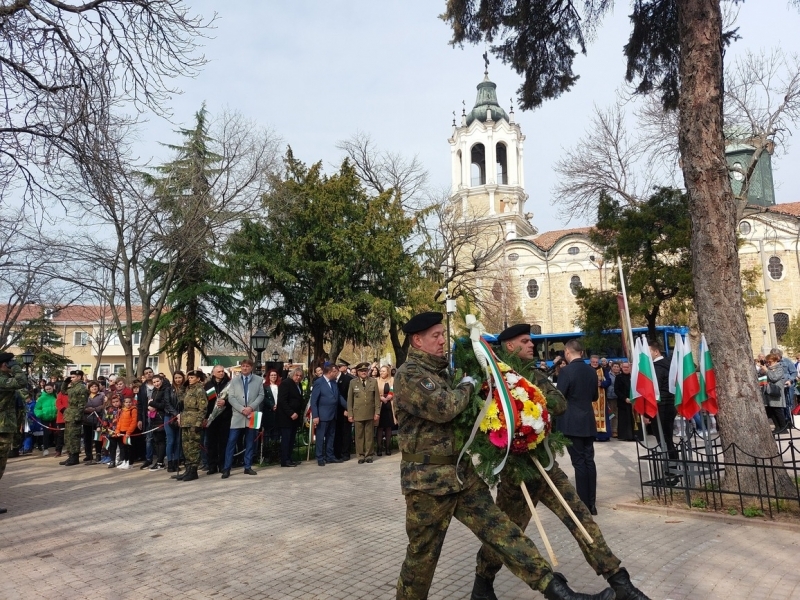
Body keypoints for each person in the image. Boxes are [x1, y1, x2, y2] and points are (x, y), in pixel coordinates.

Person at [395, 312, 614, 600]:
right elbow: (445, 407)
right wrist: (471, 382)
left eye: (441, 334)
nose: (441, 341)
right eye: (435, 336)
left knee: (505, 535)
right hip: (428, 484)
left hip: (462, 477)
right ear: (417, 340)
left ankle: (559, 593)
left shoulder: (443, 374)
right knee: (421, 561)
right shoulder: (409, 375)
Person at [472, 324, 649, 600]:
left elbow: (559, 402)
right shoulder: (493, 378)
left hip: (546, 465)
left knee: (580, 518)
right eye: (526, 341)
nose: (532, 345)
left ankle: (620, 583)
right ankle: (482, 585)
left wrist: (531, 404)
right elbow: (485, 422)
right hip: (517, 474)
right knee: (505, 533)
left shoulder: (533, 376)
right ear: (509, 346)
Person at [556, 340, 600, 515]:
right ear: (581, 352)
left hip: (571, 423)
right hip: (588, 421)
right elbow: (595, 396)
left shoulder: (566, 371)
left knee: (579, 463)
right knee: (589, 460)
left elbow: (560, 397)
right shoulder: (592, 371)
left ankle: (582, 504)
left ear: (567, 352)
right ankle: (592, 503)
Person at [222, 359, 265, 478]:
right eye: (243, 366)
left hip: (252, 414)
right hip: (238, 415)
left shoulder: (258, 380)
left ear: (251, 368)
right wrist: (242, 409)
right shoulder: (234, 381)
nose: (245, 368)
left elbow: (261, 395)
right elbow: (231, 397)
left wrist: (251, 407)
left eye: (247, 366)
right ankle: (227, 468)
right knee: (231, 441)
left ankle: (248, 466)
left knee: (250, 441)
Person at [0, 352, 27, 512]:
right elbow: (21, 381)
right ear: (4, 365)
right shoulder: (2, 379)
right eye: (9, 363)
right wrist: (16, 367)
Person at [310, 363, 345, 466]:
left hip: (333, 414)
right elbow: (314, 401)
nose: (337, 373)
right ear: (330, 372)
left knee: (331, 436)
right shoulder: (319, 382)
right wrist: (315, 416)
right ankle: (320, 457)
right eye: (335, 372)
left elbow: (338, 397)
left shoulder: (334, 382)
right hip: (322, 415)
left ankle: (330, 456)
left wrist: (349, 407)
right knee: (320, 437)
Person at [177, 370, 207, 482]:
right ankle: (188, 470)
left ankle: (193, 471)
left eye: (192, 377)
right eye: (189, 377)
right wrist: (182, 387)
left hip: (194, 421)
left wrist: (199, 422)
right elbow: (180, 399)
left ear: (198, 378)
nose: (190, 379)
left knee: (193, 446)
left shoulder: (200, 390)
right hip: (186, 420)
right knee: (186, 446)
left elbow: (203, 408)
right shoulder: (189, 389)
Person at [347, 362, 380, 464]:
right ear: (357, 372)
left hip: (370, 412)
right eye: (361, 371)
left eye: (365, 371)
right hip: (358, 413)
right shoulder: (353, 382)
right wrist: (350, 414)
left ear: (368, 371)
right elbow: (350, 400)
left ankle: (369, 455)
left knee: (369, 435)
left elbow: (377, 399)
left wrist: (377, 412)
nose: (363, 372)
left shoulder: (373, 382)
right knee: (359, 436)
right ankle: (360, 455)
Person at [204, 365, 231, 475]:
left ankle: (222, 465)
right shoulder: (208, 385)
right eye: (219, 371)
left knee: (223, 443)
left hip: (225, 417)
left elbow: (234, 398)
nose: (221, 373)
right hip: (212, 418)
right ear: (213, 373)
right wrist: (205, 417)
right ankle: (212, 466)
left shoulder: (229, 384)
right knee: (211, 443)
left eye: (222, 371)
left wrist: (226, 402)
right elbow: (205, 402)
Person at [277, 367, 305, 467]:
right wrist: (290, 413)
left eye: (300, 376)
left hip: (295, 417)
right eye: (296, 375)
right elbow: (282, 400)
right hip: (286, 417)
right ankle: (285, 460)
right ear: (292, 375)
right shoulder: (286, 383)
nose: (298, 378)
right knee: (286, 439)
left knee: (292, 439)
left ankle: (289, 458)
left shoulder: (299, 385)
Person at [60, 370, 89, 466]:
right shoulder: (72, 386)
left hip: (75, 414)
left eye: (73, 377)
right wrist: (65, 382)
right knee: (68, 436)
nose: (71, 378)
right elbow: (63, 391)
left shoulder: (82, 388)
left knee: (74, 437)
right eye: (71, 377)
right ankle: (70, 455)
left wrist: (78, 416)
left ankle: (75, 457)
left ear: (79, 377)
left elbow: (82, 404)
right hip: (69, 414)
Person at [147, 375, 172, 471]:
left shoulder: (165, 390)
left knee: (161, 440)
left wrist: (152, 404)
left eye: (157, 381)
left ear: (161, 380)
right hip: (154, 418)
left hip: (161, 417)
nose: (156, 384)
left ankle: (160, 462)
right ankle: (158, 460)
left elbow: (164, 405)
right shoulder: (154, 391)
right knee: (156, 440)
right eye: (154, 382)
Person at [761, 353, 787, 432]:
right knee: (771, 410)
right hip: (769, 391)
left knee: (777, 410)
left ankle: (783, 427)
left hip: (776, 391)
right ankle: (777, 427)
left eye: (770, 362)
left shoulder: (780, 368)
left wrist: (767, 371)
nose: (768, 363)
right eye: (767, 362)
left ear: (775, 360)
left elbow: (774, 378)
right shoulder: (769, 368)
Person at [333, 358, 354, 461]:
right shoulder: (332, 380)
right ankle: (337, 453)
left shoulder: (348, 379)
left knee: (346, 432)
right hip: (334, 411)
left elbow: (350, 396)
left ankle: (345, 453)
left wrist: (349, 409)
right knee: (336, 432)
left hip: (345, 410)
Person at [82, 381, 105, 464]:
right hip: (87, 419)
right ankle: (88, 454)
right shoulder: (85, 396)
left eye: (95, 386)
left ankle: (98, 454)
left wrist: (95, 409)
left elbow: (104, 405)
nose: (94, 388)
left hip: (97, 419)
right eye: (92, 387)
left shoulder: (102, 395)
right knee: (87, 438)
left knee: (97, 438)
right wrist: (86, 409)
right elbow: (81, 406)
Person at [114, 392, 138, 470]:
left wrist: (129, 432)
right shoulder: (123, 410)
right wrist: (117, 430)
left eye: (130, 402)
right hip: (122, 431)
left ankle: (130, 462)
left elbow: (133, 422)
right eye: (126, 402)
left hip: (129, 432)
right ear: (124, 403)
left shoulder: (133, 410)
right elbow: (120, 421)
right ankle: (125, 460)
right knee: (123, 448)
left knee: (129, 448)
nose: (128, 404)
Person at [613, 362, 636, 442]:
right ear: (621, 368)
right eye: (624, 367)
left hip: (634, 402)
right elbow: (616, 390)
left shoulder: (633, 377)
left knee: (634, 419)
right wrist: (625, 398)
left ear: (630, 368)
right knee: (624, 419)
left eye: (627, 367)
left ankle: (635, 435)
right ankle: (626, 435)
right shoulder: (618, 377)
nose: (626, 368)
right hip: (623, 401)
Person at [376, 364, 395, 456]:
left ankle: (388, 447)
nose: (381, 372)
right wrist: (381, 398)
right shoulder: (377, 381)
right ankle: (379, 448)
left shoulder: (392, 380)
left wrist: (388, 397)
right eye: (381, 371)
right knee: (380, 428)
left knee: (388, 428)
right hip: (380, 406)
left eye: (383, 371)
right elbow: (375, 392)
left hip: (389, 406)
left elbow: (392, 389)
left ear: (388, 372)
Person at [261, 369, 281, 461]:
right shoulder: (265, 386)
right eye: (272, 375)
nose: (273, 377)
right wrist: (272, 405)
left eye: (275, 375)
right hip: (269, 412)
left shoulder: (280, 386)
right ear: (268, 376)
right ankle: (267, 455)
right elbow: (263, 398)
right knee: (267, 434)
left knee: (277, 434)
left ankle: (276, 454)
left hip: (278, 412)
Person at [34, 383, 58, 456]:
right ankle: (46, 449)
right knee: (46, 433)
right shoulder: (41, 398)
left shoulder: (56, 396)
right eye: (47, 389)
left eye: (49, 389)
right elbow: (37, 409)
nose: (48, 390)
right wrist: (41, 414)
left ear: (53, 388)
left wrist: (57, 414)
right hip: (45, 417)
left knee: (56, 433)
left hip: (55, 417)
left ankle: (58, 448)